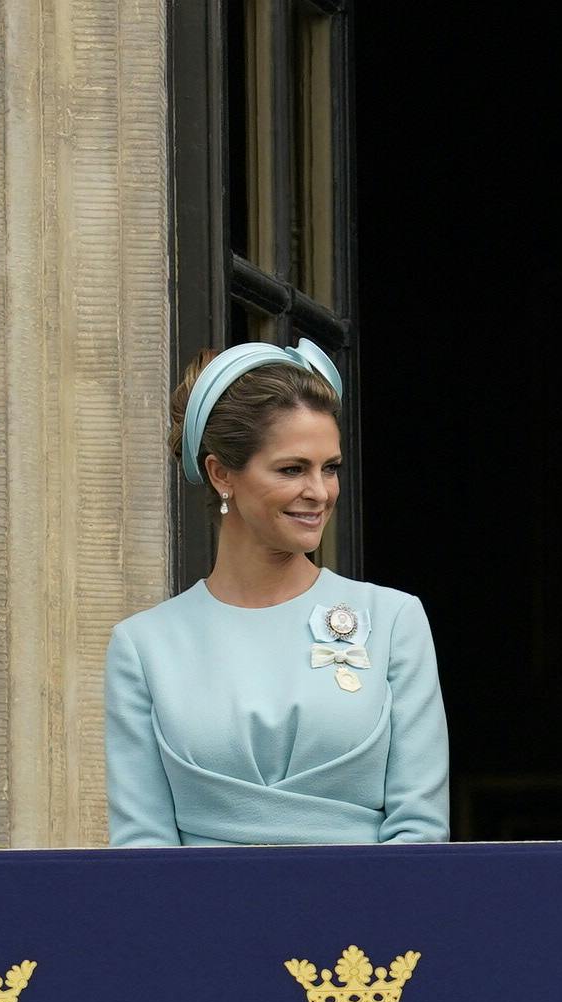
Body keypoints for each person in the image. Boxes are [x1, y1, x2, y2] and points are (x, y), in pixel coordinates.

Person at [106, 339, 450, 845]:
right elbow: (142, 849)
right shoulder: (144, 646)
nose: (320, 491)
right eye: (293, 469)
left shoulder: (395, 619)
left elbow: (419, 829)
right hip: (202, 920)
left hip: (368, 916)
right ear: (222, 473)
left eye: (329, 467)